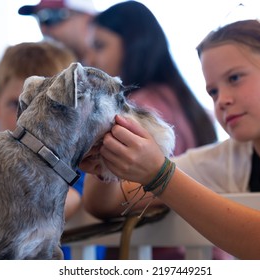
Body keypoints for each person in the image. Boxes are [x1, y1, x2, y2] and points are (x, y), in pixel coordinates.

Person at [80, 19, 260, 259]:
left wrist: (160, 176)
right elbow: (106, 204)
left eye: (234, 78)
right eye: (213, 91)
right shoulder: (230, 158)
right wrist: (106, 158)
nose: (222, 99)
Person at [83, 1, 218, 259]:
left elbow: (112, 199)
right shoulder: (181, 101)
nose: (90, 59)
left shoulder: (138, 109)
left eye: (99, 46)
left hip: (160, 255)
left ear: (133, 43)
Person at [0, 41, 81, 222]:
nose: (25, 118)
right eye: (15, 104)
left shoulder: (75, 163)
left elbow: (69, 199)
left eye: (41, 106)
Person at [18, 0, 97, 63]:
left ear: (87, 19)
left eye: (51, 16)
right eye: (39, 18)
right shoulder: (44, 69)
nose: (44, 29)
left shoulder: (106, 67)